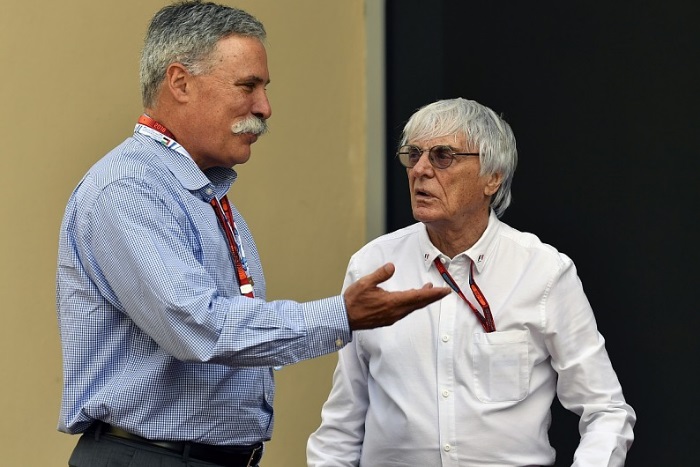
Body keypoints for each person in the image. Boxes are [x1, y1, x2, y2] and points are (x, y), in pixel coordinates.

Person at [55, 2, 450, 466]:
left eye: (264, 88)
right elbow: (199, 325)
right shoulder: (128, 188)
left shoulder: (201, 191)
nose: (264, 108)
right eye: (248, 86)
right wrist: (341, 316)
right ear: (179, 82)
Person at [306, 97, 636, 466]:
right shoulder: (374, 265)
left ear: (492, 178)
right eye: (413, 155)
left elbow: (606, 410)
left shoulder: (543, 271)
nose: (421, 170)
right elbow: (342, 424)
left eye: (443, 156)